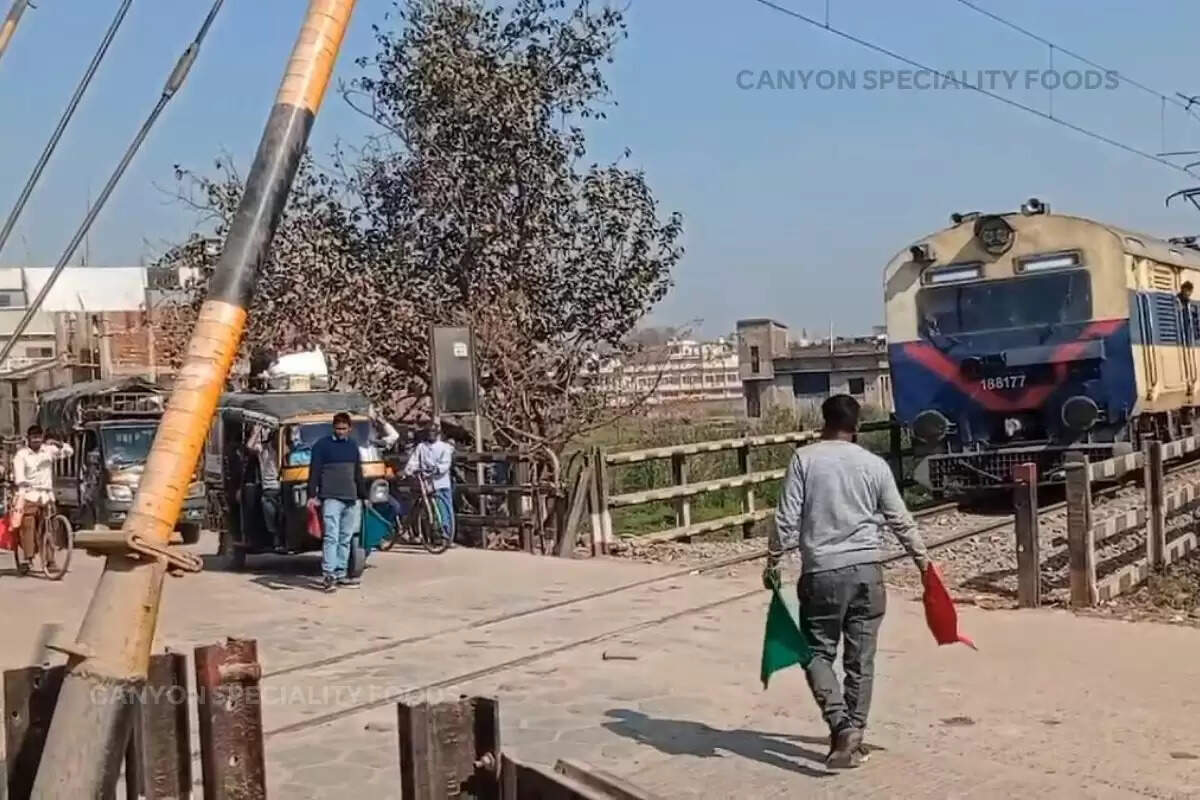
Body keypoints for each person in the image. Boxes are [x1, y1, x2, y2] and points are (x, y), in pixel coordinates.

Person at [766, 395, 929, 770]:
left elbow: (785, 519)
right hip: (868, 573)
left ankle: (841, 726)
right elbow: (899, 518)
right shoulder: (873, 464)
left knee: (815, 653)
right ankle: (854, 735)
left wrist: (773, 560)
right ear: (856, 427)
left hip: (822, 573)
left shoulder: (804, 459)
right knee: (861, 661)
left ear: (823, 422)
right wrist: (923, 561)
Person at [307, 412, 365, 591]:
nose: (340, 432)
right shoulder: (321, 446)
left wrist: (363, 496)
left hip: (351, 498)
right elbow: (314, 471)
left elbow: (358, 473)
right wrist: (312, 495)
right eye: (338, 428)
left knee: (345, 537)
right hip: (330, 498)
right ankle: (329, 575)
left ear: (349, 429)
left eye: (344, 429)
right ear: (333, 428)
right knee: (331, 537)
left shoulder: (353, 446)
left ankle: (341, 574)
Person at [11, 425, 74, 574]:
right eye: (34, 438)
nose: (37, 441)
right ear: (28, 439)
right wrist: (25, 483)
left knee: (49, 528)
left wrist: (57, 443)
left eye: (39, 437)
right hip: (29, 495)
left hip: (47, 495)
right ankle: (27, 558)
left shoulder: (48, 450)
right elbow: (19, 478)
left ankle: (50, 561)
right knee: (28, 527)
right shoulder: (21, 455)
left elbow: (68, 451)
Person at [403, 420, 455, 546]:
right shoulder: (421, 447)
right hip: (425, 483)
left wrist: (437, 469)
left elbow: (445, 463)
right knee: (425, 509)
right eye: (429, 432)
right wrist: (408, 471)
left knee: (444, 510)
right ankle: (424, 534)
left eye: (433, 432)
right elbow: (414, 461)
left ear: (438, 433)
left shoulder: (444, 447)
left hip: (440, 483)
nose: (431, 435)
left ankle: (446, 535)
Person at [246, 423, 284, 552]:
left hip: (284, 486)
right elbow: (250, 446)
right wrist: (256, 431)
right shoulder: (263, 449)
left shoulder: (284, 448)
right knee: (270, 512)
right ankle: (275, 538)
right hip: (269, 489)